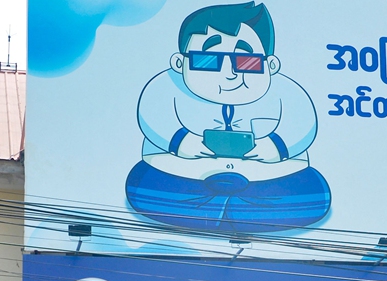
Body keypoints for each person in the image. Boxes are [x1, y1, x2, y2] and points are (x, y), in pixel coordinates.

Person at [125, 2, 331, 232]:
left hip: (267, 177)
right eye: (208, 61)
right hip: (183, 173)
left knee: (312, 192)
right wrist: (181, 143)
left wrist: (276, 148)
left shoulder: (287, 92)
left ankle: (225, 210)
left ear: (270, 65)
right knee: (146, 186)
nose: (229, 73)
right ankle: (226, 211)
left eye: (246, 62)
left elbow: (302, 125)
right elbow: (154, 117)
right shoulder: (165, 86)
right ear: (179, 63)